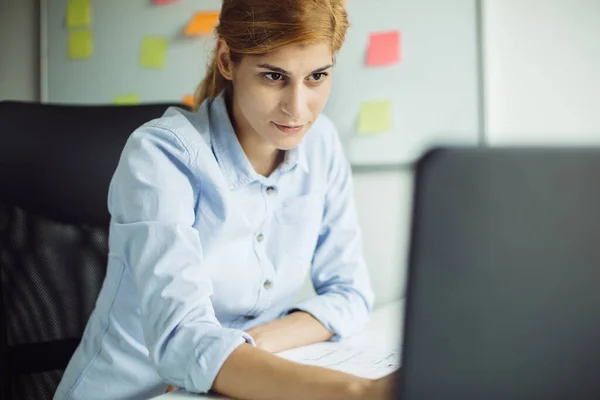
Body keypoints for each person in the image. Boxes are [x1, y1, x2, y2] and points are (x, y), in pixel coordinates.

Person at [54, 0, 396, 399]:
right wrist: (362, 393)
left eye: (317, 76)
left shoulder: (321, 144)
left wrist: (254, 343)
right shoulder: (161, 154)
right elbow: (183, 339)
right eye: (274, 76)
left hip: (234, 385)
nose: (298, 108)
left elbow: (350, 293)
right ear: (226, 62)